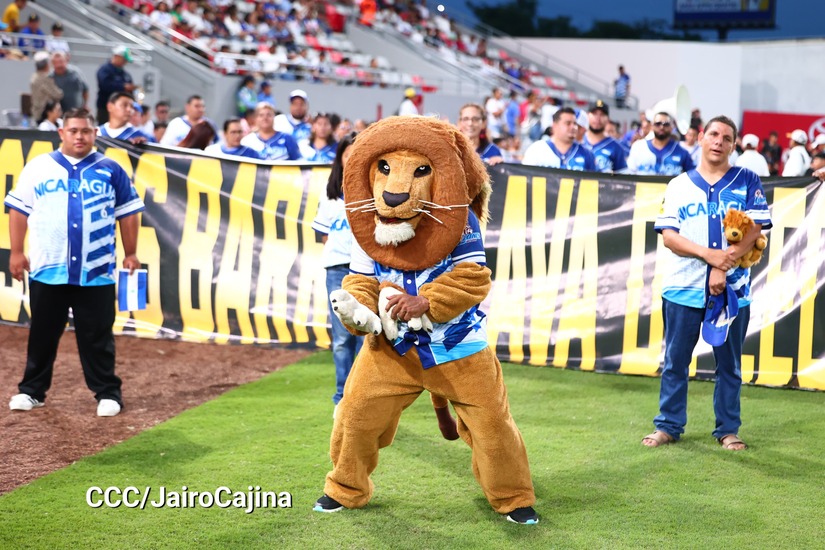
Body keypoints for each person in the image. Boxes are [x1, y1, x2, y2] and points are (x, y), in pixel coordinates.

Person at [5, 107, 145, 417]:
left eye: (85, 131)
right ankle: (32, 391)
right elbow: (18, 210)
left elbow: (128, 212)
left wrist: (131, 252)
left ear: (95, 133)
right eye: (73, 130)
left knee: (97, 336)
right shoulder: (39, 167)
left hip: (96, 271)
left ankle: (108, 393)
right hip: (47, 268)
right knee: (42, 334)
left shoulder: (111, 169)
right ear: (62, 133)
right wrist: (16, 252)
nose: (79, 136)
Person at [643, 115, 772, 451]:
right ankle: (668, 425)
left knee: (729, 365)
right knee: (675, 361)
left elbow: (756, 228)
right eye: (713, 134)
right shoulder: (678, 184)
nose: (719, 141)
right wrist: (710, 256)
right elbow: (669, 236)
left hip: (733, 291)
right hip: (683, 288)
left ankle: (728, 429)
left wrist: (723, 265)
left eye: (727, 138)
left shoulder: (747, 180)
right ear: (701, 137)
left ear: (734, 145)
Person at [310, 132, 363, 416]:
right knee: (342, 337)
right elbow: (323, 233)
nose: (353, 159)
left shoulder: (374, 187)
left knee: (366, 335)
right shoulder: (329, 191)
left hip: (366, 269)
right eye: (348, 154)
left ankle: (363, 395)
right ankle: (342, 396)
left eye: (358, 153)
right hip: (337, 268)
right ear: (340, 158)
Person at [522, 107, 597, 170]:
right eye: (568, 123)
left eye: (575, 124)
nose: (573, 127)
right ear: (555, 125)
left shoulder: (586, 153)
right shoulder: (537, 149)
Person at [626, 112, 695, 176]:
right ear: (652, 126)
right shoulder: (638, 147)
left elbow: (692, 177)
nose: (662, 127)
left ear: (671, 127)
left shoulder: (682, 152)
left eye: (666, 124)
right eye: (658, 124)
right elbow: (629, 175)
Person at [582, 100, 627, 174]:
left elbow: (622, 175)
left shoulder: (616, 147)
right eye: (594, 114)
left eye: (602, 114)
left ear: (608, 119)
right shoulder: (578, 142)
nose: (598, 118)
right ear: (587, 115)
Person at [96, 45, 136, 125]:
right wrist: (123, 87)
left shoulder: (125, 74)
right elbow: (105, 85)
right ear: (117, 56)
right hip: (105, 109)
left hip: (123, 110)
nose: (125, 62)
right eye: (124, 59)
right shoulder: (105, 70)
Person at [30, 51, 63, 124]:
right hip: (45, 115)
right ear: (46, 65)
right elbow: (58, 95)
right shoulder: (44, 78)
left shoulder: (34, 77)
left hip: (37, 113)